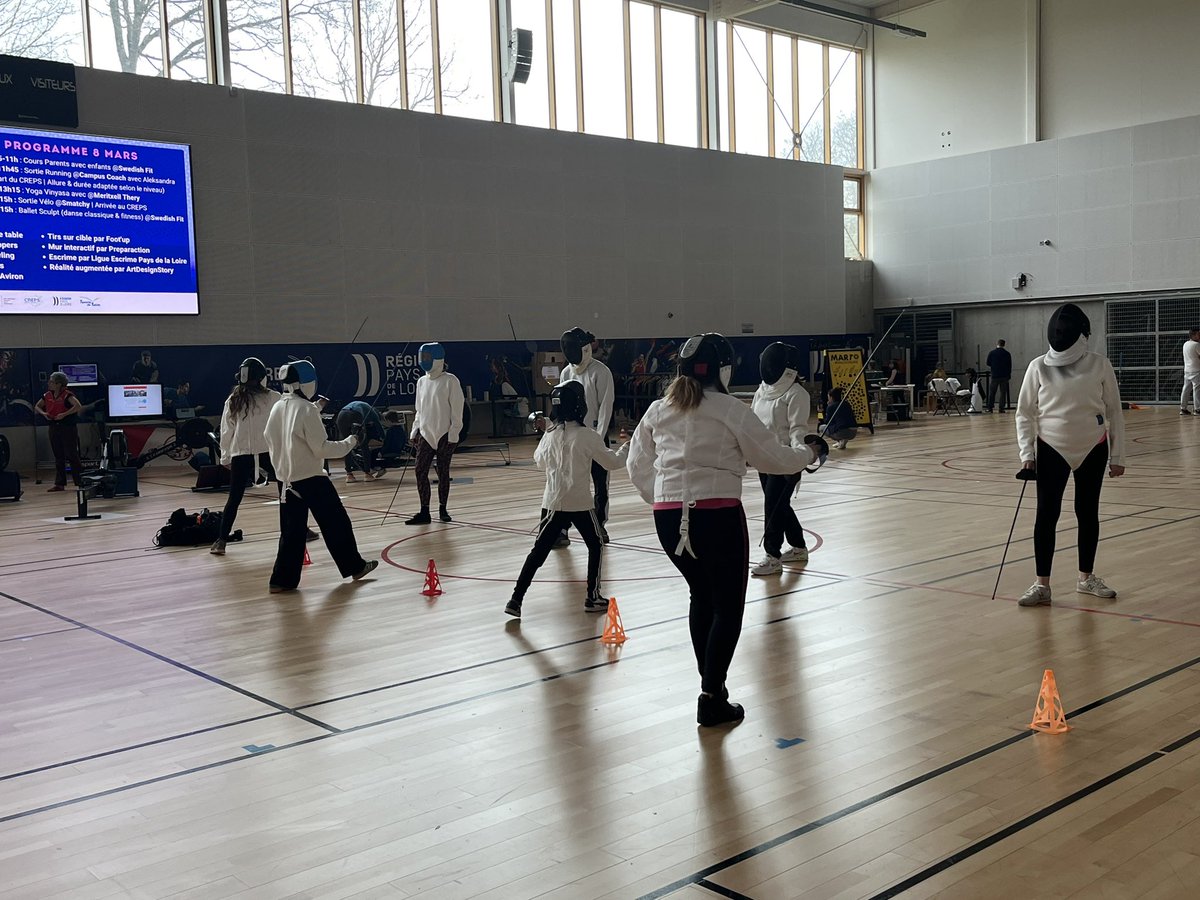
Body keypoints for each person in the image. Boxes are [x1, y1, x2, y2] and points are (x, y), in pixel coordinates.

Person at [626, 333, 826, 727]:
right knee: (728, 606)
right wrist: (811, 452)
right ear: (723, 369)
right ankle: (711, 695)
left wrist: (664, 499)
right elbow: (773, 458)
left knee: (701, 596)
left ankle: (712, 690)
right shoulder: (730, 409)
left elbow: (637, 466)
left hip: (667, 520)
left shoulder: (657, 409)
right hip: (717, 517)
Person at [1014, 303, 1125, 607]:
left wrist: (1118, 456)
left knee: (1087, 513)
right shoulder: (1038, 366)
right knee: (1046, 515)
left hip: (1093, 446)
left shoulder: (1100, 365)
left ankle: (1086, 579)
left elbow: (1115, 410)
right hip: (1051, 447)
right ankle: (1042, 585)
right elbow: (1023, 413)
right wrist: (1027, 453)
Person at [505, 381, 628, 619]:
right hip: (580, 503)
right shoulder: (587, 436)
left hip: (551, 503)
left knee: (538, 552)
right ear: (580, 406)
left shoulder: (549, 436)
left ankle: (515, 599)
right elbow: (612, 462)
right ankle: (592, 597)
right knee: (596, 544)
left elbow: (539, 461)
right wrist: (628, 446)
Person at [263, 360, 378, 593]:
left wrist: (315, 409)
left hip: (285, 480)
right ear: (306, 383)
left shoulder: (279, 406)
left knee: (291, 532)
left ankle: (281, 581)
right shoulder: (306, 410)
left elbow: (276, 434)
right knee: (337, 524)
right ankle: (355, 567)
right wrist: (351, 441)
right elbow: (322, 448)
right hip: (312, 479)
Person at [750, 342, 812, 576]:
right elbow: (753, 424)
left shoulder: (797, 394)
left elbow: (798, 430)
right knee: (778, 504)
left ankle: (772, 556)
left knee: (772, 507)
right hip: (764, 458)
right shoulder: (761, 391)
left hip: (785, 459)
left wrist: (799, 456)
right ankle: (798, 547)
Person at [553, 327, 616, 546]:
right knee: (568, 483)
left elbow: (606, 407)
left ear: (585, 349)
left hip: (594, 438)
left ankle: (599, 526)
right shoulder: (566, 374)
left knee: (600, 485)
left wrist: (597, 439)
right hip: (572, 439)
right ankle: (562, 528)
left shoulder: (601, 372)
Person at [211, 358, 280, 556]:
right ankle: (296, 530)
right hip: (266, 452)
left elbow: (226, 431)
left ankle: (221, 541)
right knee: (286, 491)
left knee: (234, 498)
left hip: (243, 455)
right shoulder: (272, 397)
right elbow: (227, 429)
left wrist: (225, 457)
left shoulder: (235, 398)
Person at [405, 342, 465, 525]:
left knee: (443, 472)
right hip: (425, 433)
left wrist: (454, 434)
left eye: (427, 358)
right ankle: (424, 511)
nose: (423, 361)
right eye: (422, 357)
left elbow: (457, 410)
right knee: (419, 471)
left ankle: (442, 509)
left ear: (437, 359)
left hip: (445, 435)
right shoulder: (421, 381)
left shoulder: (450, 381)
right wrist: (415, 431)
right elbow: (419, 410)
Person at [35, 371, 84, 491]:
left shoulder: (67, 395)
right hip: (53, 426)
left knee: (72, 455)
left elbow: (78, 406)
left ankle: (80, 481)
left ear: (58, 384)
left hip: (67, 427)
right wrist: (44, 413)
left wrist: (64, 414)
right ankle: (60, 483)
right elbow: (37, 406)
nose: (49, 383)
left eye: (51, 382)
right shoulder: (47, 395)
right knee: (58, 455)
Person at [335, 400, 386, 482]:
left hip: (341, 415)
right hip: (355, 415)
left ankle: (349, 475)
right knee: (364, 445)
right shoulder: (373, 412)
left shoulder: (362, 405)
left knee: (347, 445)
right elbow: (378, 425)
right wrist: (384, 438)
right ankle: (367, 474)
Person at [986, 339, 1013, 413]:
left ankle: (990, 407)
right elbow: (1009, 365)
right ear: (1004, 345)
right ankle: (1001, 408)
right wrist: (1008, 375)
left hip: (995, 375)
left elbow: (988, 363)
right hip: (1004, 375)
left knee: (992, 392)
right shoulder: (1007, 354)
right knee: (1003, 393)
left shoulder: (992, 353)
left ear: (997, 344)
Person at [1181, 327, 1200, 415]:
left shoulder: (1185, 344)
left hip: (1187, 370)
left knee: (1186, 389)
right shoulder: (1196, 345)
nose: (1199, 335)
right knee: (1197, 390)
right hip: (1196, 370)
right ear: (1193, 335)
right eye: (1198, 334)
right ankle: (1197, 409)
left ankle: (1183, 408)